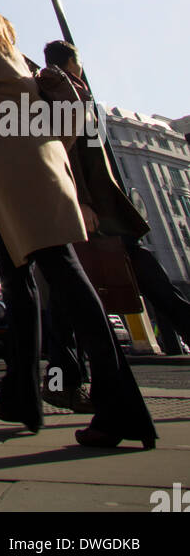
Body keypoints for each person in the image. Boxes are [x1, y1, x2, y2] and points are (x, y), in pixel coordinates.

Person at [0, 0, 155, 449]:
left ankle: (120, 408)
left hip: (20, 183)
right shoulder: (9, 52)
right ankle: (21, 394)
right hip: (19, 182)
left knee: (69, 284)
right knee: (20, 290)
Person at [43, 40, 190, 362]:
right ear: (72, 62)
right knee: (73, 282)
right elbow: (66, 153)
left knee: (89, 278)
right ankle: (65, 367)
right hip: (90, 206)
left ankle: (65, 366)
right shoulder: (64, 91)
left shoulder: (74, 92)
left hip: (99, 204)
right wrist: (80, 200)